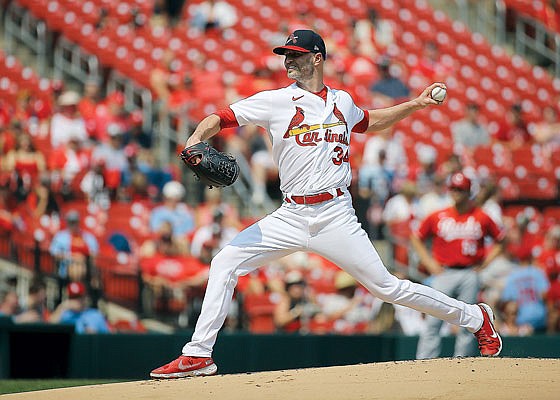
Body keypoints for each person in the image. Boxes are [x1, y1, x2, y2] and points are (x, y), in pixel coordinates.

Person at [150, 29, 502, 379]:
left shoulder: (343, 101)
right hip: (290, 214)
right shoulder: (275, 101)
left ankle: (475, 318)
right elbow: (222, 117)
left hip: (335, 215)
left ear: (317, 58)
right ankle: (198, 355)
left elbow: (370, 121)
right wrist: (196, 137)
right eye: (286, 54)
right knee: (225, 261)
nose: (288, 60)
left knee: (387, 287)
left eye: (296, 54)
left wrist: (416, 104)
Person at [410, 172, 505, 359]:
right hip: (444, 273)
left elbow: (501, 240)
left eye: (460, 189)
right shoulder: (439, 216)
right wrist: (428, 262)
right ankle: (424, 362)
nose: (456, 192)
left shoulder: (481, 216)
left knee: (468, 322)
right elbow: (416, 237)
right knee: (433, 320)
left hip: (470, 272)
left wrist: (485, 263)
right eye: (453, 188)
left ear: (468, 191)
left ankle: (462, 362)